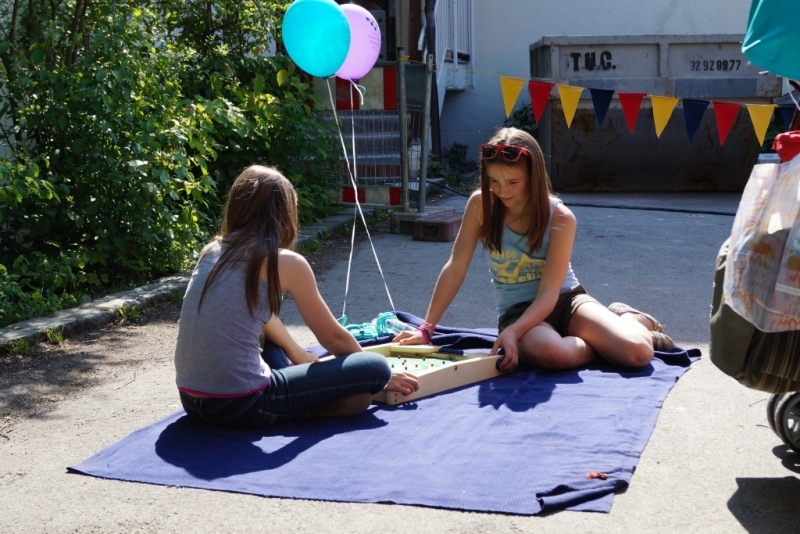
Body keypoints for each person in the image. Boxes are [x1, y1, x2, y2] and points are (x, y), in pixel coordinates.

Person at [394, 127, 673, 372]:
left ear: (534, 175)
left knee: (638, 352)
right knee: (553, 353)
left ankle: (632, 319)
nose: (502, 191)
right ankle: (599, 343)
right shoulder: (480, 205)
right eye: (494, 181)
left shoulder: (561, 217)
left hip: (567, 301)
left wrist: (514, 333)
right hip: (518, 310)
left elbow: (550, 293)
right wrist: (426, 329)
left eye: (513, 182)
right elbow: (456, 266)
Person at [174, 165, 418, 427]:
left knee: (353, 396)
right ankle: (302, 404)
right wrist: (378, 376)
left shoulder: (212, 250)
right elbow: (334, 338)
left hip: (191, 400)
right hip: (243, 403)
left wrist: (298, 354)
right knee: (374, 367)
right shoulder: (286, 262)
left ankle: (301, 395)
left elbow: (260, 320)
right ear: (284, 215)